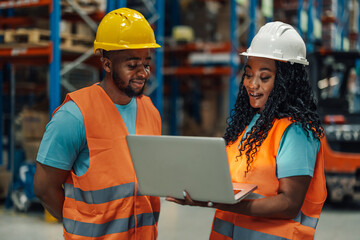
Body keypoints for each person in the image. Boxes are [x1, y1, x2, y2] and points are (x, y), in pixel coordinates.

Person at [166, 21, 327, 240]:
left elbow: (289, 204)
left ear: (285, 81)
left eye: (264, 77)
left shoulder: (296, 132)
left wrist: (220, 203)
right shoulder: (250, 124)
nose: (252, 85)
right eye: (249, 75)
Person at [33, 8, 162, 240]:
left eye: (146, 63)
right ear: (107, 63)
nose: (143, 73)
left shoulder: (150, 111)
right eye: (132, 65)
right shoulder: (74, 115)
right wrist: (82, 225)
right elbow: (44, 188)